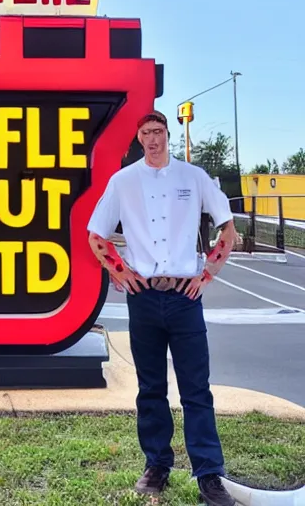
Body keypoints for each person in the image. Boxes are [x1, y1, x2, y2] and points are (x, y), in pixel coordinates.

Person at [87, 110, 237, 506]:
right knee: (150, 389)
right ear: (139, 139)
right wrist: (119, 270)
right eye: (146, 133)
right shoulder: (123, 181)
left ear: (167, 134)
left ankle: (209, 474)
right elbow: (95, 234)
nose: (153, 139)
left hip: (186, 299)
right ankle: (157, 465)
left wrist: (206, 275)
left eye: (158, 131)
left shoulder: (194, 177)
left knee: (196, 389)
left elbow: (228, 229)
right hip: (145, 300)